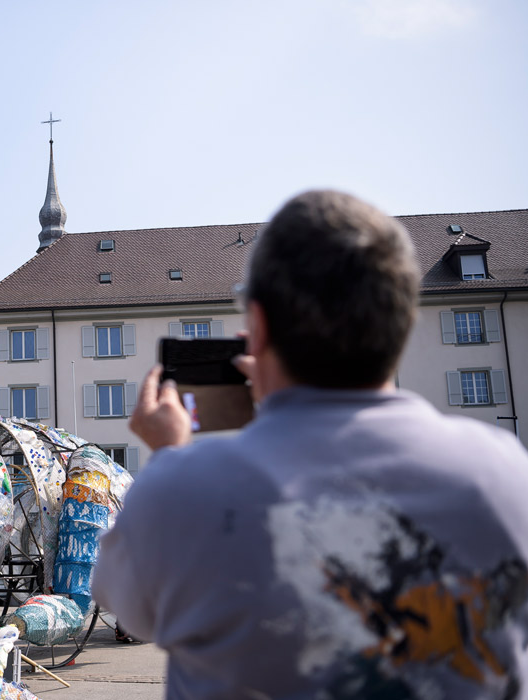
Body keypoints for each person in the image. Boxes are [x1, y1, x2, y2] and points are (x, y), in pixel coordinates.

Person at [91, 190, 528, 699]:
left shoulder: (184, 487)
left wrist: (169, 456)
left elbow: (130, 608)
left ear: (259, 325)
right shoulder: (506, 474)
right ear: (404, 321)